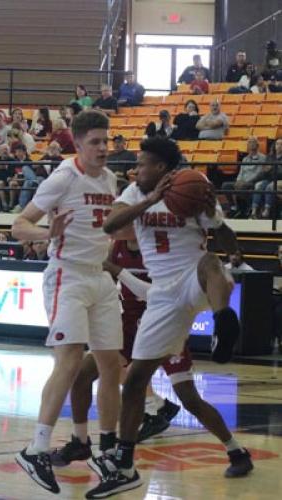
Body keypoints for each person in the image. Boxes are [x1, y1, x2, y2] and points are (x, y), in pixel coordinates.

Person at [87, 137, 251, 497]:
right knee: (135, 384)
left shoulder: (191, 187)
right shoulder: (134, 192)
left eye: (143, 163)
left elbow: (222, 234)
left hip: (193, 275)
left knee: (210, 261)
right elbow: (110, 225)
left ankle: (224, 320)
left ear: (161, 167)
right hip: (161, 294)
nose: (136, 169)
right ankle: (126, 464)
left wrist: (226, 234)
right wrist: (150, 199)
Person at [12, 110, 122, 495]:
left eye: (106, 141)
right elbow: (18, 224)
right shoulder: (63, 177)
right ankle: (37, 447)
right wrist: (46, 231)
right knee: (71, 358)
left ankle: (108, 448)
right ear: (78, 144)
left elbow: (114, 228)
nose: (103, 148)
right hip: (67, 275)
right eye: (95, 142)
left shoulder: (110, 179)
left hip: (100, 276)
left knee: (112, 362)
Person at [221, 137, 266, 218]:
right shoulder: (245, 159)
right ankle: (233, 206)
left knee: (242, 187)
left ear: (257, 145)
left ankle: (248, 208)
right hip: (242, 182)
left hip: (253, 181)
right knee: (226, 185)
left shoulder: (263, 158)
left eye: (253, 142)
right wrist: (239, 181)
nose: (251, 144)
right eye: (249, 142)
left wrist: (246, 182)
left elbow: (259, 173)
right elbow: (241, 172)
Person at [250, 138, 282, 219]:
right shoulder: (270, 156)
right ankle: (254, 211)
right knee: (259, 185)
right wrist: (265, 170)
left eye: (281, 144)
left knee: (269, 187)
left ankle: (267, 210)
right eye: (277, 144)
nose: (279, 146)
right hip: (269, 178)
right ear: (274, 146)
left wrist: (272, 168)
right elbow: (264, 171)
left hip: (279, 179)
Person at [11, 144, 45, 214]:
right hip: (22, 181)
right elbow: (12, 175)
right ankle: (11, 205)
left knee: (25, 170)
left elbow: (31, 175)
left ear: (24, 152)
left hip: (26, 181)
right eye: (16, 152)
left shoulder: (29, 161)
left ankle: (21, 206)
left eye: (19, 151)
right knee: (15, 183)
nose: (17, 154)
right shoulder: (14, 162)